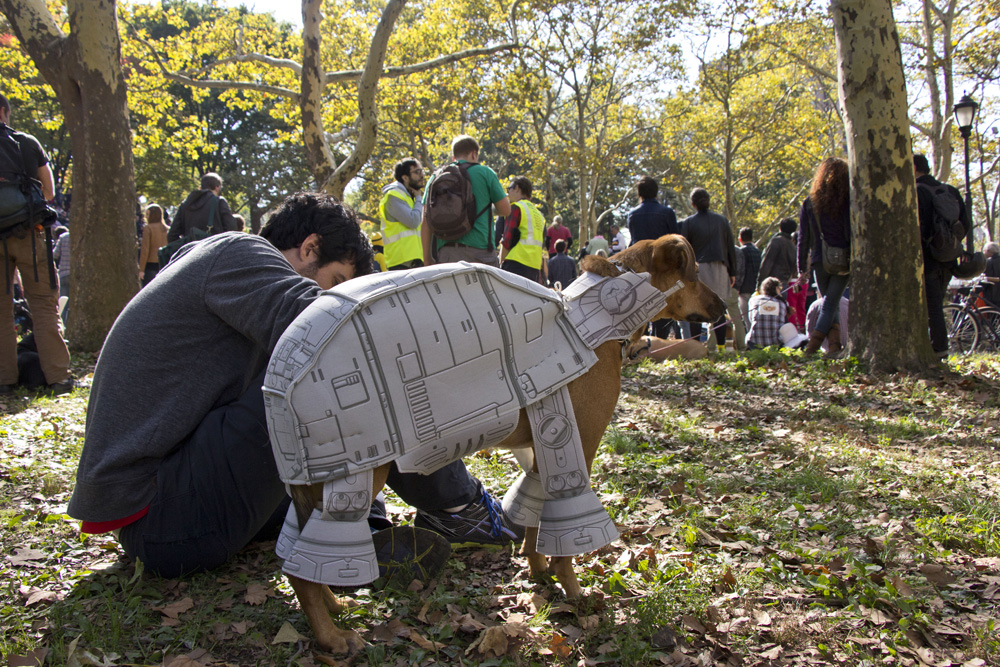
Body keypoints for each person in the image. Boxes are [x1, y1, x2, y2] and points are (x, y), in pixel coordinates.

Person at [67, 193, 518, 579]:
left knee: (327, 366)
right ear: (309, 247)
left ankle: (363, 529)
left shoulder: (218, 270)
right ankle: (461, 508)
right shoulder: (238, 252)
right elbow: (345, 332)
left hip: (175, 506)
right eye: (338, 282)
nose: (335, 297)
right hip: (165, 515)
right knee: (345, 359)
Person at [0, 93, 73, 396]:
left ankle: (4, 380)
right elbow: (49, 190)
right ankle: (58, 377)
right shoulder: (26, 142)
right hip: (31, 234)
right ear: (5, 112)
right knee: (44, 307)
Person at [421, 135, 510, 267]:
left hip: (446, 253)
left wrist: (427, 258)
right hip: (481, 252)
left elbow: (426, 221)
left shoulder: (436, 177)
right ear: (474, 154)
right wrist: (487, 207)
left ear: (453, 157)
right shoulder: (485, 173)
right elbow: (506, 209)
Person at [797, 157, 851, 357]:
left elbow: (803, 238)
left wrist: (802, 267)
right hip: (844, 259)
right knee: (830, 303)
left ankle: (831, 347)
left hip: (820, 260)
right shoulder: (849, 200)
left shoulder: (810, 202)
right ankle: (814, 348)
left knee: (830, 302)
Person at [915, 153, 968, 358]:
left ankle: (939, 349)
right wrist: (952, 246)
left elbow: (918, 228)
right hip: (949, 259)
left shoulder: (917, 192)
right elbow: (965, 223)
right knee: (936, 303)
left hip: (928, 259)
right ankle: (936, 345)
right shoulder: (950, 190)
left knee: (932, 306)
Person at [680, 187, 738, 354]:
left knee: (694, 308)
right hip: (720, 268)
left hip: (697, 269)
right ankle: (720, 348)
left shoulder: (689, 222)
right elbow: (730, 247)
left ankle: (695, 348)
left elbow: (684, 249)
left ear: (693, 204)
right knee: (719, 309)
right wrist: (732, 271)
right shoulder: (722, 221)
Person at [167, 172, 243, 243]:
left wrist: (185, 247)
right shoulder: (219, 202)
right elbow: (231, 229)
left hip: (190, 253)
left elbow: (172, 235)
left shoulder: (185, 204)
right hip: (214, 250)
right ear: (217, 187)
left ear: (201, 187)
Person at [379, 158, 425, 270]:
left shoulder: (410, 197)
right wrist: (419, 198)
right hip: (400, 264)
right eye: (417, 172)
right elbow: (413, 221)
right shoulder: (393, 196)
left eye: (422, 171)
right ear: (405, 177)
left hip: (414, 262)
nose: (421, 175)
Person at [499, 176, 546, 283]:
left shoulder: (516, 207)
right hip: (534, 268)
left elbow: (507, 240)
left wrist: (500, 263)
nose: (508, 193)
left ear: (517, 188)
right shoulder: (540, 215)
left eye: (509, 188)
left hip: (515, 264)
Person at [627, 175, 678, 244]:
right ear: (656, 191)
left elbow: (633, 240)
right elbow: (676, 240)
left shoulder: (632, 215)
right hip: (662, 253)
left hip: (641, 253)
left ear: (639, 193)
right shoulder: (667, 213)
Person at [745, 277, 788, 349]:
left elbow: (751, 319)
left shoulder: (754, 300)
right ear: (777, 289)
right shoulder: (782, 303)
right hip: (775, 343)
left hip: (754, 342)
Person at [757, 217, 798, 290]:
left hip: (770, 284)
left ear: (780, 227)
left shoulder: (776, 241)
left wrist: (759, 284)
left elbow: (766, 264)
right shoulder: (793, 246)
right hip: (784, 284)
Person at [138, 204, 169, 286]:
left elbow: (145, 249)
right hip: (164, 264)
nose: (146, 216)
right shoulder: (167, 229)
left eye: (147, 214)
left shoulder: (148, 228)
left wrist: (141, 269)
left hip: (150, 265)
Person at [737, 227, 762, 329]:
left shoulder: (740, 251)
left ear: (740, 239)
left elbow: (740, 270)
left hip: (744, 288)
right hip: (757, 289)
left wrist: (737, 286)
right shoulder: (758, 251)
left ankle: (750, 340)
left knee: (747, 318)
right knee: (756, 316)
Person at [52, 226, 70, 324]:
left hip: (63, 273)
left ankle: (62, 323)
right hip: (77, 276)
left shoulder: (63, 237)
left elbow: (54, 254)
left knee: (63, 302)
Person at [982, 242, 1000, 307]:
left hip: (991, 293)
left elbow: (985, 277)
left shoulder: (988, 262)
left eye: (984, 250)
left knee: (992, 313)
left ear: (989, 251)